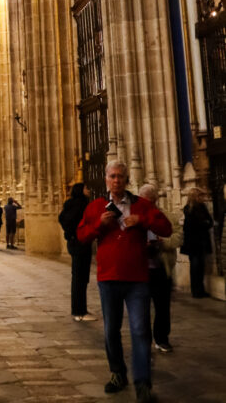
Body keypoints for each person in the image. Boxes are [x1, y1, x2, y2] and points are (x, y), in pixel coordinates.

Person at [77, 160, 172, 403]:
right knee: (111, 330)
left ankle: (142, 382)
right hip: (108, 278)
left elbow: (167, 227)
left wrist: (142, 221)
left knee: (140, 330)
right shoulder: (97, 206)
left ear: (127, 180)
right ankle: (118, 373)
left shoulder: (141, 205)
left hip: (137, 279)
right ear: (106, 179)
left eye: (121, 176)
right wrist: (100, 225)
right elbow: (82, 236)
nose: (117, 180)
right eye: (112, 176)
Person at [138, 183, 181, 352]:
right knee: (141, 309)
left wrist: (163, 242)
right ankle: (143, 341)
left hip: (161, 268)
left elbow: (177, 237)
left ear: (155, 200)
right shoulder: (133, 218)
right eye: (144, 201)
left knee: (162, 307)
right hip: (140, 270)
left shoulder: (166, 216)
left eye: (150, 201)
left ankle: (162, 339)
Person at [58, 182, 95, 321]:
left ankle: (80, 309)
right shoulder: (81, 204)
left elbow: (61, 218)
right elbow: (72, 220)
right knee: (80, 277)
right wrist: (78, 232)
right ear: (81, 190)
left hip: (74, 242)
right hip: (80, 243)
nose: (89, 190)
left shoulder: (70, 203)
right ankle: (79, 312)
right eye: (87, 188)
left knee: (79, 277)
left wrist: (70, 233)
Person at [180, 186, 213, 298]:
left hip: (202, 241)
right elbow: (193, 225)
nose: (203, 198)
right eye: (200, 196)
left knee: (201, 266)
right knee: (195, 267)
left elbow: (210, 222)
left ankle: (201, 289)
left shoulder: (203, 207)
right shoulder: (188, 209)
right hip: (193, 243)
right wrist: (203, 223)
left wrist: (203, 223)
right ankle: (196, 291)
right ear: (195, 197)